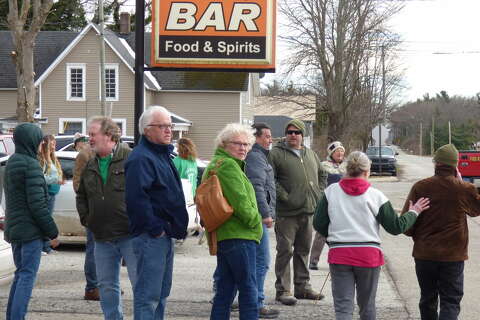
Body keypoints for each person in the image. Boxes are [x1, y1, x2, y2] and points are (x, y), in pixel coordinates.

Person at [313, 151, 430, 320]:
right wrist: (414, 212)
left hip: (340, 256)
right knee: (367, 307)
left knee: (343, 308)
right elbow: (396, 227)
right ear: (367, 172)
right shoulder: (376, 196)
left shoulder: (330, 192)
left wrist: (333, 238)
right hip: (368, 257)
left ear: (347, 169)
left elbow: (318, 223)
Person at [401, 144, 480, 320]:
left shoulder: (420, 187)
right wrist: (462, 182)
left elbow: (406, 226)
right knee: (450, 301)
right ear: (455, 165)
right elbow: (476, 210)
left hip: (424, 254)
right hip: (453, 256)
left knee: (427, 299)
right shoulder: (463, 189)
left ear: (436, 163)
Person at [124, 106, 189, 320]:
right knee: (148, 296)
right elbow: (136, 200)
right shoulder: (141, 158)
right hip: (151, 237)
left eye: (170, 126)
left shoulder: (162, 155)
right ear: (146, 130)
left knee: (161, 294)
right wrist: (156, 229)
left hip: (164, 235)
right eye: (162, 126)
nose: (168, 130)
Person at [76, 117, 137, 320]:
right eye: (88, 135)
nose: (89, 139)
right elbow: (82, 195)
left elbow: (144, 193)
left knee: (140, 284)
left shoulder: (130, 158)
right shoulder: (90, 162)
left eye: (93, 134)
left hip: (130, 235)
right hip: (101, 237)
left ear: (109, 136)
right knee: (107, 286)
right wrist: (88, 219)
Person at [204, 123, 263, 320]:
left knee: (225, 291)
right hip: (240, 235)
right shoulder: (228, 165)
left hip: (226, 235)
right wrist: (257, 221)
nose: (243, 148)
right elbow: (241, 202)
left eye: (247, 144)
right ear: (224, 144)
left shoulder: (216, 164)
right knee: (248, 291)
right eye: (238, 143)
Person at [268, 118, 328, 305]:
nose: (293, 135)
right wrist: (285, 196)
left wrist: (318, 193)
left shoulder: (310, 154)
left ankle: (302, 287)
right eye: (289, 132)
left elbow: (322, 173)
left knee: (303, 250)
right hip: (286, 213)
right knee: (285, 250)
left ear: (303, 135)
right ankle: (283, 290)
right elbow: (271, 180)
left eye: (297, 132)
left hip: (308, 211)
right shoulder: (276, 154)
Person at [4, 123, 60, 320]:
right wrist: (52, 231)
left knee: (20, 275)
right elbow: (37, 205)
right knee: (27, 276)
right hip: (30, 232)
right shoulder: (31, 165)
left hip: (15, 230)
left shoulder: (12, 162)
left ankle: (13, 316)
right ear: (31, 141)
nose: (41, 145)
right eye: (39, 141)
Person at [244, 122, 279, 319]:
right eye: (267, 136)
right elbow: (257, 186)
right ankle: (256, 303)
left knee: (255, 261)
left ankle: (250, 301)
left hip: (258, 216)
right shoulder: (256, 157)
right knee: (261, 261)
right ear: (256, 137)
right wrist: (265, 214)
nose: (270, 140)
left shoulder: (259, 156)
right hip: (258, 218)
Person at [309, 141, 347, 270]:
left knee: (341, 232)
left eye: (342, 151)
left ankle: (338, 259)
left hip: (344, 204)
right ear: (331, 153)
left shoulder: (347, 167)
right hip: (327, 203)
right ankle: (313, 260)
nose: (340, 153)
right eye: (337, 151)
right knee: (321, 233)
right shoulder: (323, 166)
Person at [72, 132, 99, 301]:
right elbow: (77, 184)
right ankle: (92, 287)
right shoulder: (84, 155)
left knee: (110, 251)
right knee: (94, 249)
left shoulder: (114, 153)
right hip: (93, 211)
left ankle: (107, 284)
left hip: (111, 213)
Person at [37, 134, 63, 254]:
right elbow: (43, 177)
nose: (53, 146)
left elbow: (57, 174)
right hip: (45, 193)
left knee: (48, 220)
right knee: (44, 220)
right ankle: (43, 247)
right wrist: (55, 179)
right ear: (45, 144)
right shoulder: (42, 158)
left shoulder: (53, 157)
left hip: (52, 193)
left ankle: (46, 246)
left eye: (54, 143)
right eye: (51, 144)